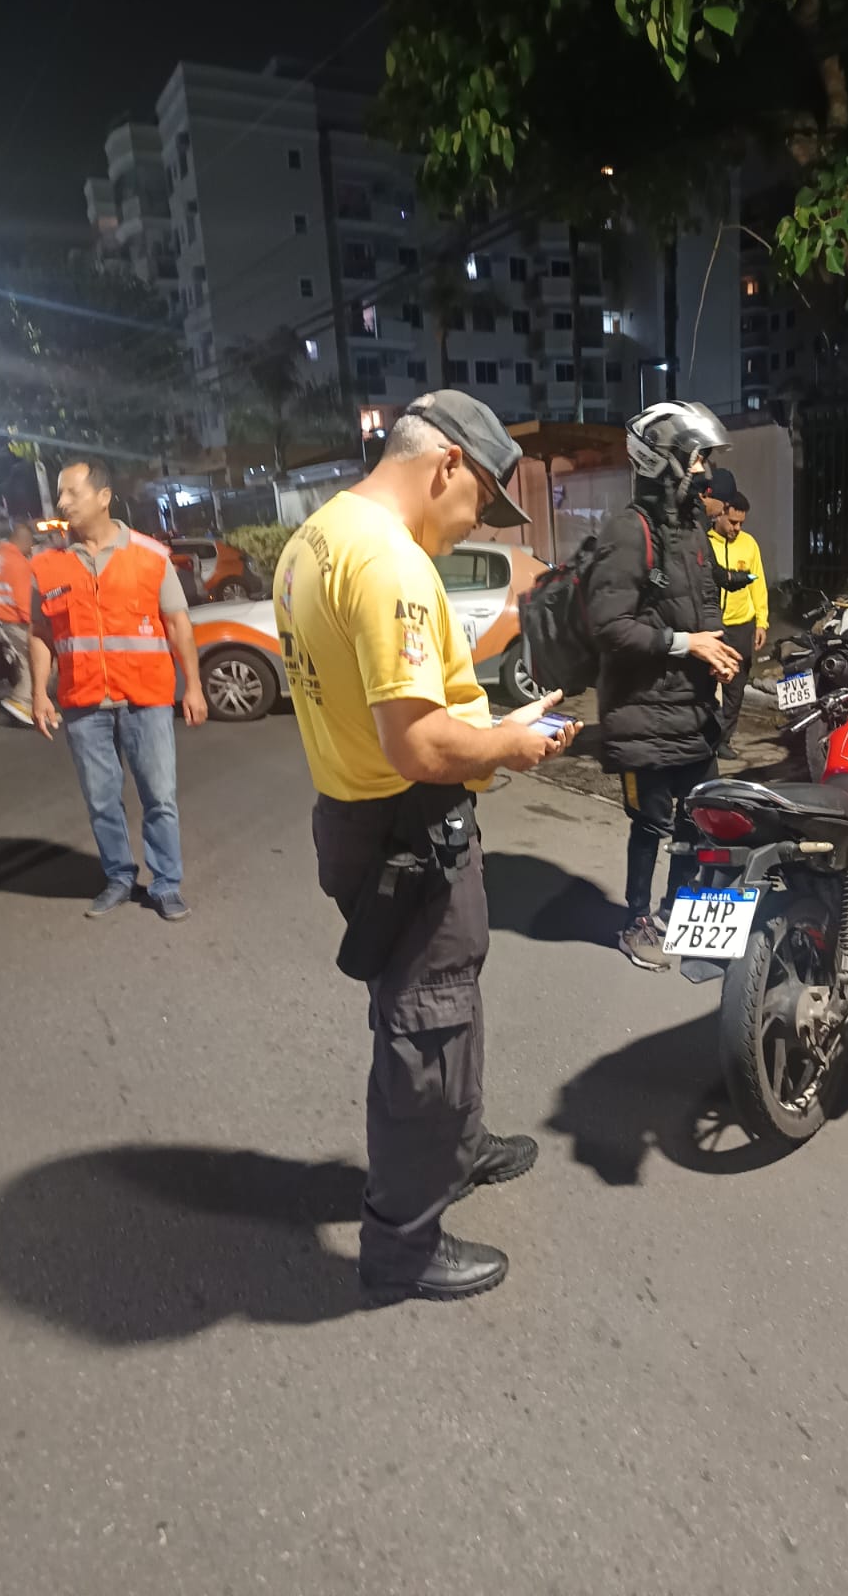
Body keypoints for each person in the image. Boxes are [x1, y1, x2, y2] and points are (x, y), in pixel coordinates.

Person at [274, 391, 579, 1305]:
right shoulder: (388, 563)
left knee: (436, 1008)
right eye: (483, 497)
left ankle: (458, 1145)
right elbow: (418, 743)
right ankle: (401, 1245)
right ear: (445, 463)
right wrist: (511, 746)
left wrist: (489, 720)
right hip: (405, 824)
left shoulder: (317, 537)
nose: (479, 518)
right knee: (424, 1028)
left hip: (361, 817)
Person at [587, 401, 741, 971]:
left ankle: (681, 909)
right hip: (642, 713)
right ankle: (637, 920)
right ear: (663, 462)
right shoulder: (629, 531)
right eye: (696, 457)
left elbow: (699, 611)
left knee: (700, 817)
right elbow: (609, 627)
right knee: (650, 825)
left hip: (691, 711)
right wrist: (686, 644)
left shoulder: (692, 529)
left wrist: (716, 653)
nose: (703, 470)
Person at [28, 459, 207, 920]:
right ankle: (119, 877)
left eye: (72, 493)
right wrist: (38, 693)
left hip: (144, 698)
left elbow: (178, 624)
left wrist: (194, 688)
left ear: (103, 498)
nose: (62, 502)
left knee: (160, 797)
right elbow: (41, 633)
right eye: (60, 493)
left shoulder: (150, 555)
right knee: (101, 799)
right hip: (83, 703)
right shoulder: (48, 566)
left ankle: (166, 884)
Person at [705, 484, 768, 758]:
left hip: (742, 625)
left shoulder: (749, 544)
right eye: (732, 522)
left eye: (742, 523)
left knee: (736, 687)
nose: (737, 528)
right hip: (713, 627)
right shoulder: (704, 543)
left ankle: (723, 740)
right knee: (708, 685)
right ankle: (706, 737)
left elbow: (758, 585)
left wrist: (761, 622)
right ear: (720, 514)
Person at [0, 519, 35, 725]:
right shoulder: (19, 564)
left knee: (22, 662)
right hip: (15, 620)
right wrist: (34, 625)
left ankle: (26, 703)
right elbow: (23, 600)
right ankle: (21, 702)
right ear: (24, 541)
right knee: (32, 661)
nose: (31, 550)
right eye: (31, 545)